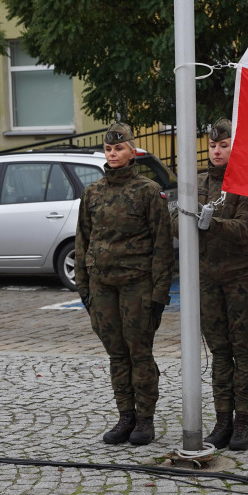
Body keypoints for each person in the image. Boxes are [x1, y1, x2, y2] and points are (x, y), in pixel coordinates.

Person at [75, 122, 174, 446]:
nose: (113, 153)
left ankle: (145, 420)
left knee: (139, 353)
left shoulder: (147, 191)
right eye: (108, 149)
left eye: (119, 148)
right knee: (116, 354)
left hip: (137, 285)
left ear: (132, 151)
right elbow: (82, 241)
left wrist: (160, 294)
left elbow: (162, 246)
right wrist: (84, 288)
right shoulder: (93, 193)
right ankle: (125, 416)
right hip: (103, 286)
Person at [175, 119, 248, 451]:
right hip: (208, 283)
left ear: (235, 148)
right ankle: (222, 420)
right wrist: (186, 219)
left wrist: (212, 224)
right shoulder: (196, 182)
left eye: (223, 145)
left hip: (240, 283)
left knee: (243, 353)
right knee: (219, 353)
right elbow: (176, 218)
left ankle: (242, 421)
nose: (216, 150)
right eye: (213, 145)